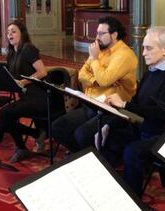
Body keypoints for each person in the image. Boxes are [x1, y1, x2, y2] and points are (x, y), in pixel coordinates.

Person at [101, 26, 165, 196]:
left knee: (132, 151)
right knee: (110, 136)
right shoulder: (151, 72)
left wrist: (124, 105)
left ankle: (132, 199)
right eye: (143, 47)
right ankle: (109, 189)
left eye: (148, 48)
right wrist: (112, 121)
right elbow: (137, 102)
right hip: (148, 129)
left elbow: (161, 114)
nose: (143, 53)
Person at [51, 16, 138, 153]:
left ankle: (93, 160)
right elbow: (81, 75)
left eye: (101, 33)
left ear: (114, 35)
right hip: (91, 103)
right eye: (97, 33)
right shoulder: (100, 50)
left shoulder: (124, 55)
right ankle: (80, 155)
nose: (97, 37)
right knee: (57, 127)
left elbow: (105, 80)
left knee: (82, 135)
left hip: (112, 109)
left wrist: (95, 60)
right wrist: (96, 80)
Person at [0, 20, 48, 163]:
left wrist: (23, 82)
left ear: (22, 33)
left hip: (39, 97)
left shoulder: (27, 49)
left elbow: (42, 72)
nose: (9, 34)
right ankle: (36, 134)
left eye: (13, 31)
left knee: (5, 113)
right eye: (8, 32)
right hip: (26, 96)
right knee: (3, 117)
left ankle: (23, 147)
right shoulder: (12, 54)